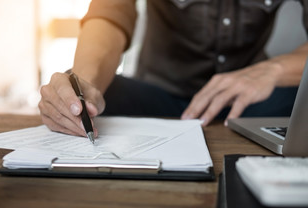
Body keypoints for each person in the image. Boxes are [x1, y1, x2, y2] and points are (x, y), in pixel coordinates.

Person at [39, 0, 308, 139]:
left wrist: (275, 70)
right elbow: (110, 12)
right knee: (106, 97)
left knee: (300, 102)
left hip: (247, 102)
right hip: (156, 95)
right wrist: (86, 81)